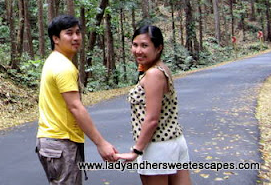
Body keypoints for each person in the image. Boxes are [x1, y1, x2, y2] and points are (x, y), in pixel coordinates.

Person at [36, 15, 117, 185]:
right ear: (55, 38)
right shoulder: (63, 67)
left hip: (51, 142)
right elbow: (75, 107)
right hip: (61, 142)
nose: (75, 38)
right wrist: (101, 143)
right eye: (69, 33)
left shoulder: (53, 61)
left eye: (78, 33)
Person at [116, 25, 192, 185]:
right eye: (135, 45)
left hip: (156, 147)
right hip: (174, 142)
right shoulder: (161, 68)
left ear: (158, 48)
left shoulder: (153, 74)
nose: (138, 50)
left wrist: (136, 151)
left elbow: (151, 119)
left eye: (144, 45)